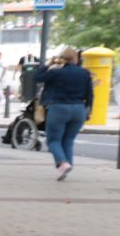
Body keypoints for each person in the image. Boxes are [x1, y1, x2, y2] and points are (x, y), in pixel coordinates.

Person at [36, 47, 95, 180]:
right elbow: (90, 95)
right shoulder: (85, 73)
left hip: (59, 108)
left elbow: (37, 77)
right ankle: (67, 165)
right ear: (76, 58)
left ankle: (63, 164)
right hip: (79, 109)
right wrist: (89, 110)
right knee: (68, 140)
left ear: (62, 58)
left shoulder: (56, 72)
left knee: (53, 141)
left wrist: (48, 64)